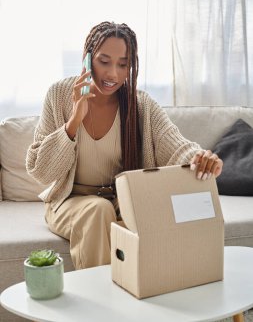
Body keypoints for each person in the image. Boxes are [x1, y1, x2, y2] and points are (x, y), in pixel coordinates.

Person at [26, 21, 223, 270]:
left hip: (121, 199)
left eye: (123, 64)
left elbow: (175, 146)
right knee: (98, 210)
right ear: (87, 60)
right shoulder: (59, 95)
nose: (113, 75)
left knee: (155, 213)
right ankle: (101, 303)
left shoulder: (140, 105)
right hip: (71, 201)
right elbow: (40, 171)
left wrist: (200, 157)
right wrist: (74, 120)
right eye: (104, 61)